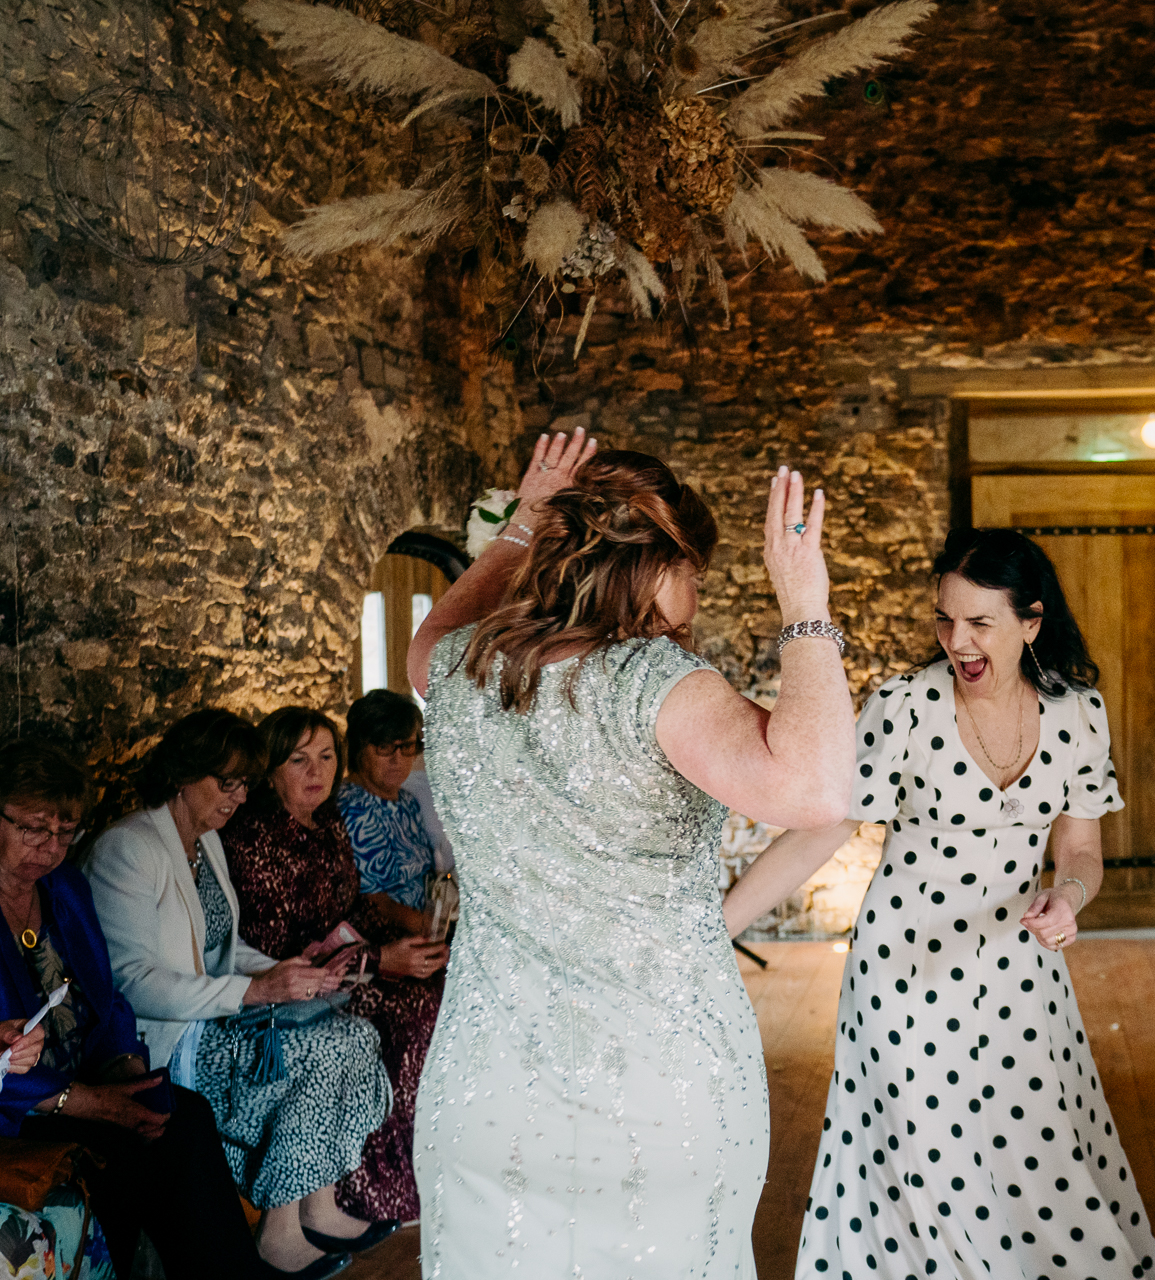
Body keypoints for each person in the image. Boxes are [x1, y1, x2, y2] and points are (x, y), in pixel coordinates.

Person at [405, 429, 855, 1278]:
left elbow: (428, 641)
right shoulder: (658, 686)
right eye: (698, 573)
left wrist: (521, 526)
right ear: (662, 566)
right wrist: (804, 604)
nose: (699, 594)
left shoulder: (457, 668)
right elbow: (822, 793)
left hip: (488, 1089)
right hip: (658, 1095)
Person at [722, 526, 1155, 1280]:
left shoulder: (1079, 713)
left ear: (1031, 622)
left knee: (1034, 1147)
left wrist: (1070, 896)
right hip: (903, 971)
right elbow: (823, 828)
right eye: (944, 619)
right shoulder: (905, 706)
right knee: (923, 1157)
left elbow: (1081, 849)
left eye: (979, 622)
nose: (957, 640)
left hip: (1020, 973)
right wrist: (713, 928)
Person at [86, 710, 395, 1280]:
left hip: (216, 1017)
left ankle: (318, 1205)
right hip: (169, 1039)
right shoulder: (129, 848)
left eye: (243, 784)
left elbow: (222, 948)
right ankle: (278, 1235)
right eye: (222, 782)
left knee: (355, 1034)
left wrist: (286, 969)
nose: (236, 796)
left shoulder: (207, 843)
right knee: (319, 1052)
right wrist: (256, 991)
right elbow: (133, 983)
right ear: (182, 774)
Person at [0, 740, 272, 1279]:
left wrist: (127, 1068)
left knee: (180, 1117)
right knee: (119, 1162)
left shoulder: (65, 888)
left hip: (84, 1081)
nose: (51, 847)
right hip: (22, 1109)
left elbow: (106, 995)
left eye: (65, 832)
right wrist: (97, 1104)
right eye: (33, 828)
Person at [224, 706, 447, 1225]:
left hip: (348, 965)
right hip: (290, 984)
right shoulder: (257, 836)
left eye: (326, 757)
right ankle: (365, 1189)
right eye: (299, 760)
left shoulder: (326, 822)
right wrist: (382, 959)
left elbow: (354, 904)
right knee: (409, 1014)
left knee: (437, 995)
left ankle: (415, 1172)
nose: (317, 772)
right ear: (270, 767)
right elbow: (281, 946)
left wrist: (408, 941)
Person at [338, 692, 438, 936]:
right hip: (387, 945)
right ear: (360, 746)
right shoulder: (352, 808)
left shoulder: (407, 802)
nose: (398, 759)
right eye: (384, 747)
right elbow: (373, 900)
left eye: (407, 746)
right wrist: (433, 929)